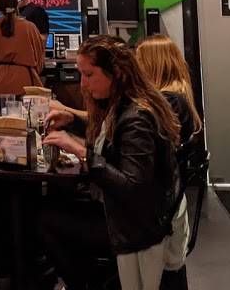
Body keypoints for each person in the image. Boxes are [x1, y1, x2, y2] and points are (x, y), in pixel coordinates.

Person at [42, 37, 181, 290]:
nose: (83, 84)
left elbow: (132, 187)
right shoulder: (128, 104)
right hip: (139, 218)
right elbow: (112, 135)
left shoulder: (137, 120)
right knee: (52, 207)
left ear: (116, 73)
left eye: (89, 75)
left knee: (42, 219)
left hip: (136, 227)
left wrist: (82, 152)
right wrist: (72, 120)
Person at [135, 35, 204, 287]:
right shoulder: (178, 99)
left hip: (151, 216)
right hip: (168, 210)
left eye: (138, 62)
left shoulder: (166, 103)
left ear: (152, 66)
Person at [0, 0, 45, 113]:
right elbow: (39, 57)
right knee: (24, 120)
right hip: (23, 82)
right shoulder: (29, 27)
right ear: (16, 4)